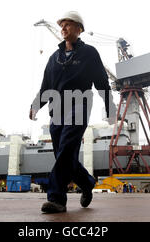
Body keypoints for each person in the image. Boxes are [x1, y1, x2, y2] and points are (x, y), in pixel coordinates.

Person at [29, 11, 116, 213]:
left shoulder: (89, 53)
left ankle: (57, 199)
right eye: (62, 25)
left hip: (80, 103)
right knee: (64, 154)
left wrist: (110, 107)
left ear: (79, 29)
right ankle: (86, 183)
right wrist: (35, 106)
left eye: (69, 24)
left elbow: (102, 82)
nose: (64, 28)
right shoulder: (54, 58)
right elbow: (45, 86)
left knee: (67, 148)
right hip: (57, 107)